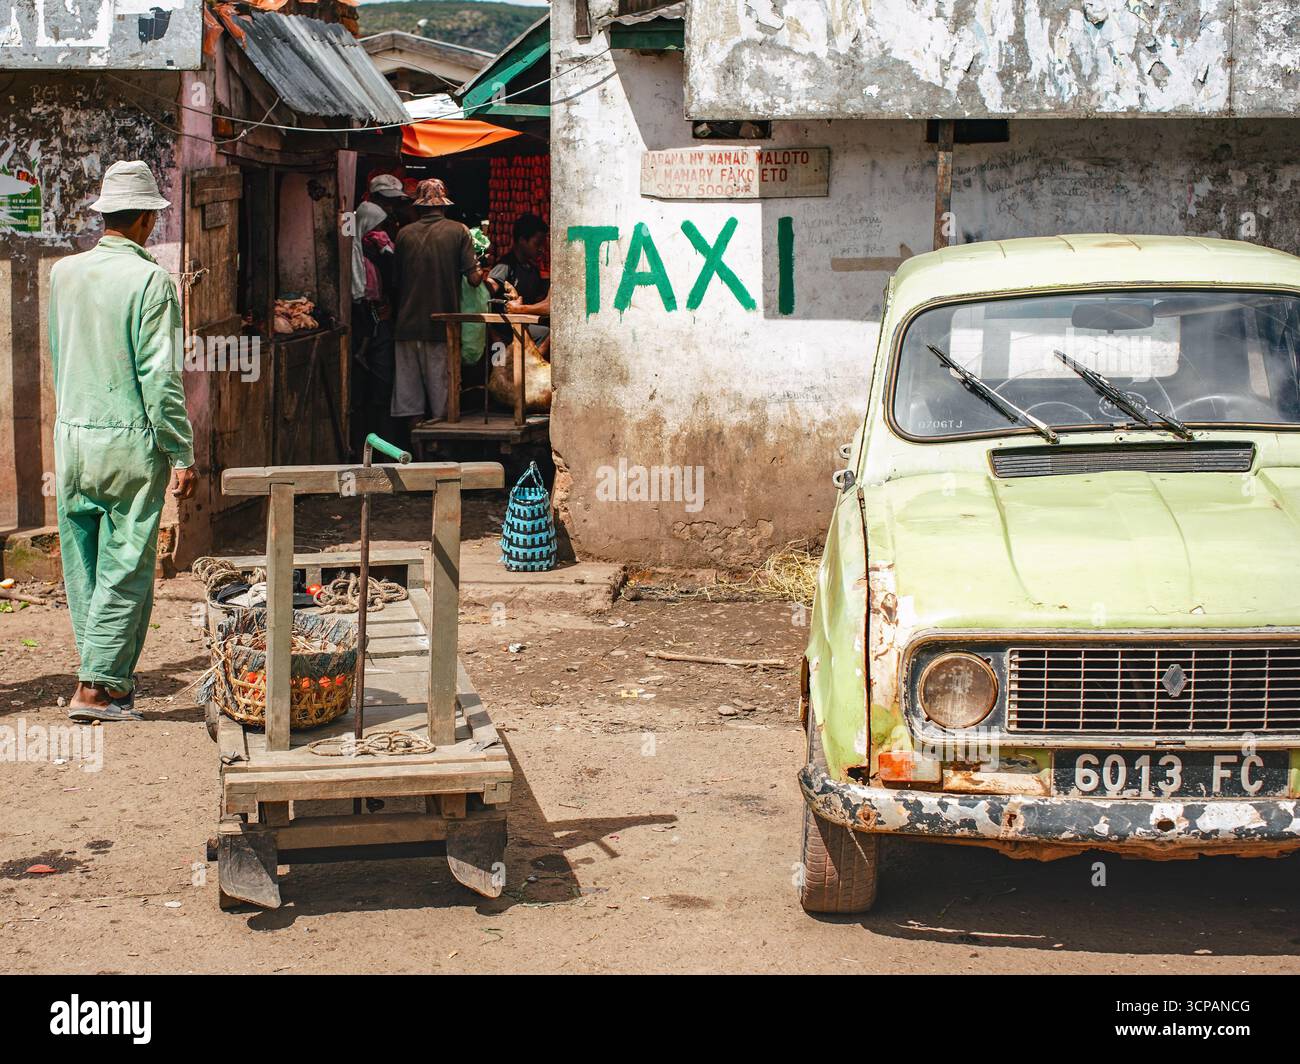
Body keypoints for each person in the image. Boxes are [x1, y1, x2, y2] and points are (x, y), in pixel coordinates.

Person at [48, 160, 198, 723]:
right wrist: (180, 449)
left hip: (73, 439)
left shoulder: (64, 273)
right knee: (127, 565)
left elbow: (58, 356)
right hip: (128, 442)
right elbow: (160, 378)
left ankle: (109, 681)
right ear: (145, 222)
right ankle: (96, 689)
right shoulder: (150, 280)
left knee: (83, 564)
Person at [391, 178, 484, 431]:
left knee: (411, 401)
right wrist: (482, 263)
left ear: (419, 207)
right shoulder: (459, 231)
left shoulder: (403, 235)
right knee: (442, 401)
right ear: (443, 205)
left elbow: (395, 281)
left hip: (406, 327)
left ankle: (415, 456)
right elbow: (474, 280)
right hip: (441, 328)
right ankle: (439, 454)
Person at [487, 213, 551, 356]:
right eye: (537, 244)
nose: (541, 249)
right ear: (522, 240)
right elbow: (488, 290)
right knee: (545, 333)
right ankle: (532, 371)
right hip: (504, 329)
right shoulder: (506, 265)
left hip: (523, 324)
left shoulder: (533, 270)